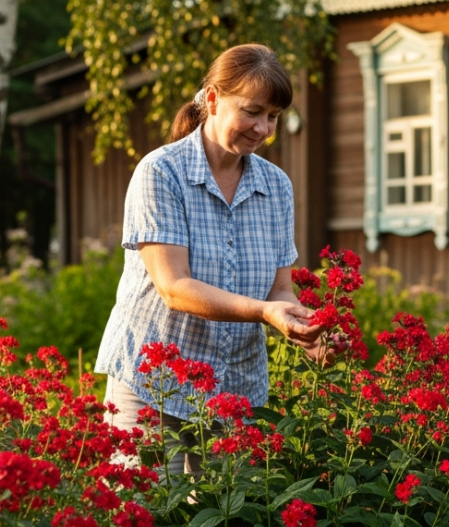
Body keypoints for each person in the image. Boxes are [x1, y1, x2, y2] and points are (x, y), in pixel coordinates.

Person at [93, 43, 323, 476]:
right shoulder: (161, 172)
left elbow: (279, 289)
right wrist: (265, 312)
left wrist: (304, 329)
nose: (263, 129)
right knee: (142, 523)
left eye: (273, 116)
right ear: (213, 99)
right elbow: (175, 288)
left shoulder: (277, 186)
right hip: (151, 385)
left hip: (232, 388)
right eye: (252, 111)